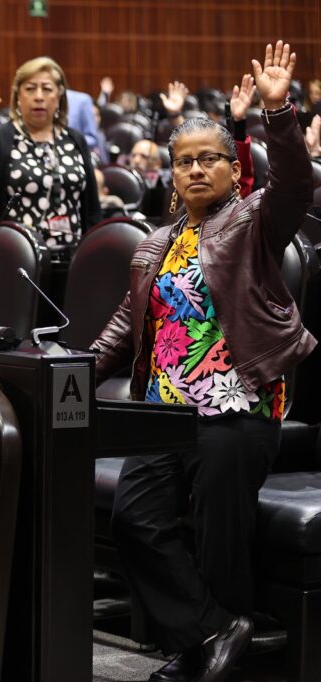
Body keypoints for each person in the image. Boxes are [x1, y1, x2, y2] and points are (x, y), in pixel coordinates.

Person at [92, 42, 315, 682]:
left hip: (236, 406)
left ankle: (207, 657)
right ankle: (212, 632)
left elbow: (297, 182)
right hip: (164, 409)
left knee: (219, 529)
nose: (194, 170)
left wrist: (277, 113)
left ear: (232, 169)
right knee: (134, 519)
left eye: (208, 160)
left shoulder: (253, 224)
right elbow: (126, 321)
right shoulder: (157, 241)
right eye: (183, 161)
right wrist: (78, 363)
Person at [0, 57, 102, 244]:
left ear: (59, 96)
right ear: (18, 96)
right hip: (16, 257)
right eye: (30, 88)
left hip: (74, 257)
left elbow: (92, 208)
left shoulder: (75, 139)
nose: (39, 96)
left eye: (47, 89)